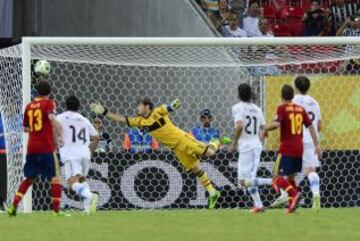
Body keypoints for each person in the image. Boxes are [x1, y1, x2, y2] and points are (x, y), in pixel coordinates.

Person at [90, 98, 226, 209]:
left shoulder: (158, 112)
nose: (137, 108)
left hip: (182, 139)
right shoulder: (139, 121)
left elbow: (168, 107)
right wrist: (105, 112)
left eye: (139, 106)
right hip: (175, 148)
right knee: (196, 168)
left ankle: (215, 141)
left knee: (210, 153)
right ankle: (212, 192)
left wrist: (174, 105)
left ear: (147, 106)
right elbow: (121, 119)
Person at [7, 80, 67, 217]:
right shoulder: (48, 103)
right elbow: (52, 118)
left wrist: (36, 129)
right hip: (46, 147)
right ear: (49, 91)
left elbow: (26, 128)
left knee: (29, 178)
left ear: (37, 91)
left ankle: (13, 206)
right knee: (56, 177)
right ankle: (56, 211)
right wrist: (61, 134)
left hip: (32, 148)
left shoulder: (29, 106)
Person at [263, 84, 322, 214]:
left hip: (286, 148)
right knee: (291, 178)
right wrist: (317, 144)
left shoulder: (282, 108)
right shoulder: (301, 109)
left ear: (282, 96)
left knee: (276, 178)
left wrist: (264, 128)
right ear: (292, 95)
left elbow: (277, 124)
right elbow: (311, 127)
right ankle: (292, 205)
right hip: (299, 148)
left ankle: (294, 194)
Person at [231, 83, 272, 213]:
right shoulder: (257, 109)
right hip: (254, 146)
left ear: (238, 94)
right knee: (245, 180)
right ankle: (259, 205)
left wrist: (234, 143)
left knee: (246, 180)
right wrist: (257, 140)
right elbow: (264, 130)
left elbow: (239, 126)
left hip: (247, 147)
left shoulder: (237, 107)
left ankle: (276, 182)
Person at [57, 96, 100, 215]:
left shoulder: (60, 118)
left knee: (72, 183)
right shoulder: (84, 120)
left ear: (65, 106)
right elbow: (97, 137)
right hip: (85, 154)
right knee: (81, 181)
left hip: (71, 154)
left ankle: (91, 196)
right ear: (79, 107)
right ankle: (87, 210)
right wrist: (89, 150)